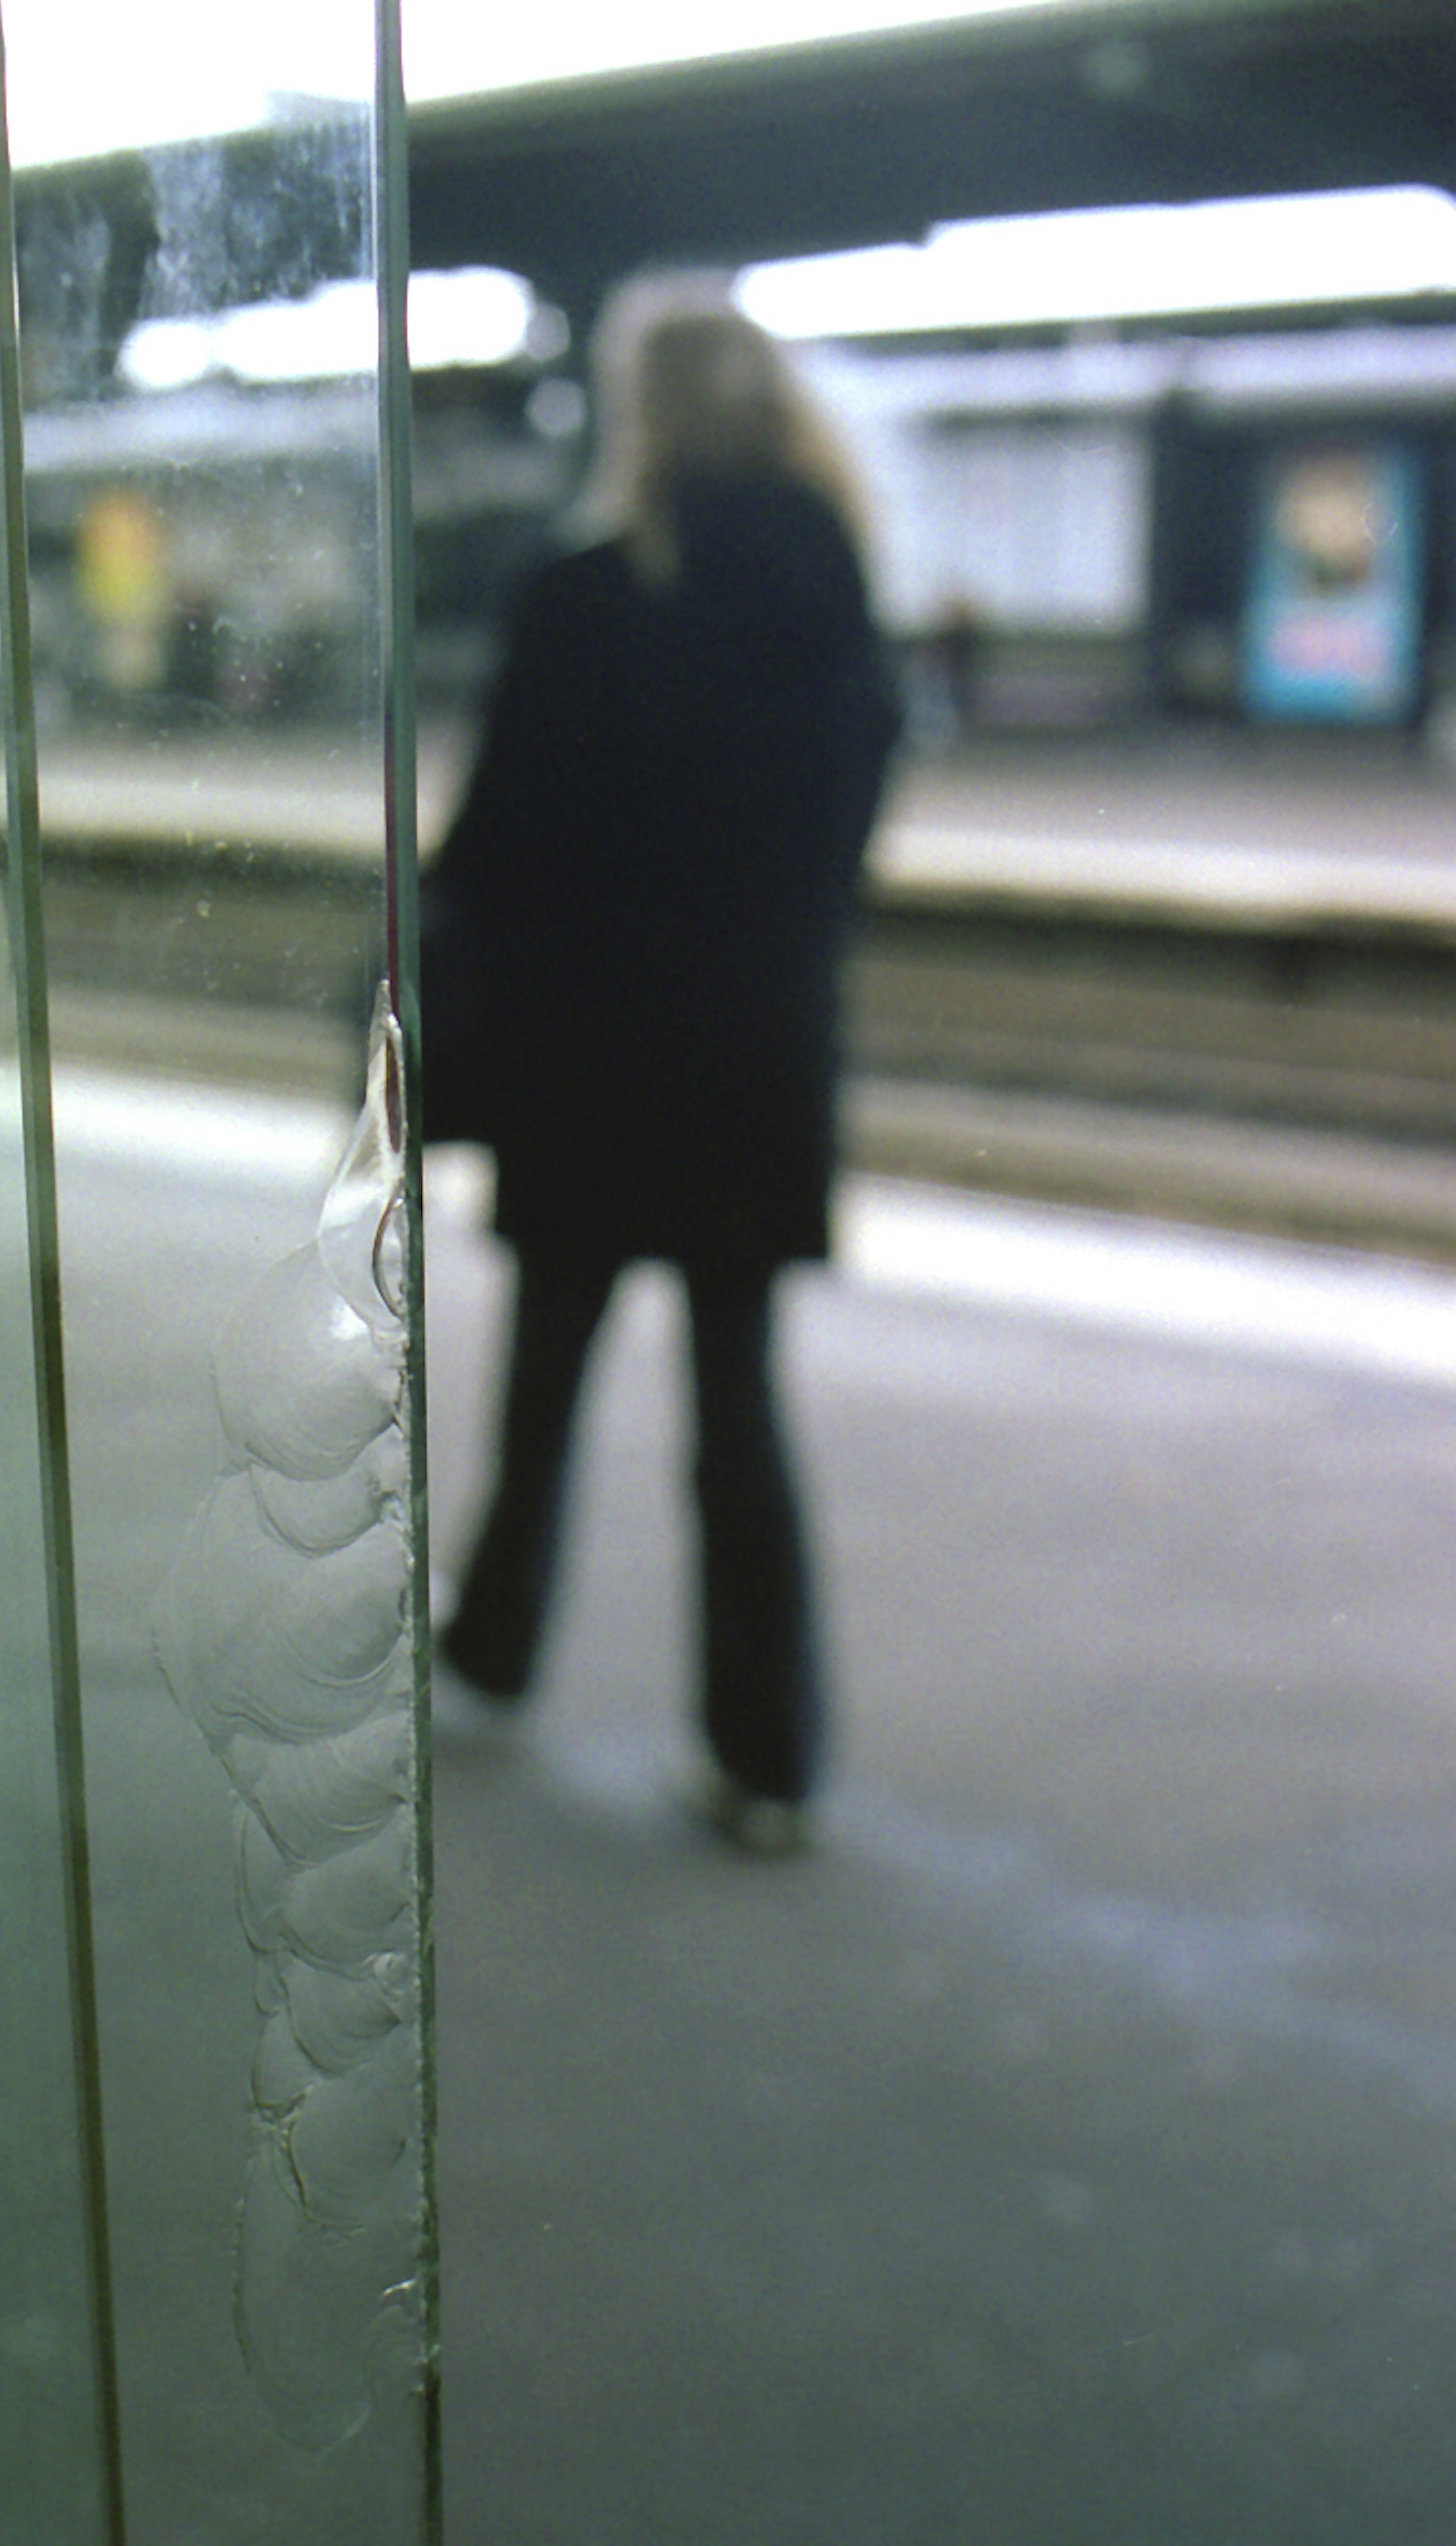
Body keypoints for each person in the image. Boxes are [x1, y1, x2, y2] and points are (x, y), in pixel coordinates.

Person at [427, 278, 900, 1848]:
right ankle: (763, 1758)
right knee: (735, 1408)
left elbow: (493, 843)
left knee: (548, 1370)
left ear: (638, 413)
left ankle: (492, 1644)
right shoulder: (837, 593)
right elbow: (845, 837)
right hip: (752, 1063)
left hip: (592, 1059)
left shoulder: (582, 593)